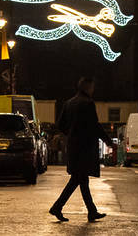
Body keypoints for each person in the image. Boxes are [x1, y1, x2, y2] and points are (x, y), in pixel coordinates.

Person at [49, 77, 116, 222]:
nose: (93, 90)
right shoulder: (88, 103)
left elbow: (60, 125)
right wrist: (108, 141)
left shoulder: (68, 103)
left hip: (73, 146)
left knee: (80, 179)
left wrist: (71, 133)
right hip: (85, 147)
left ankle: (90, 211)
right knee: (78, 179)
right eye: (92, 87)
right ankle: (58, 207)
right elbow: (95, 125)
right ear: (87, 88)